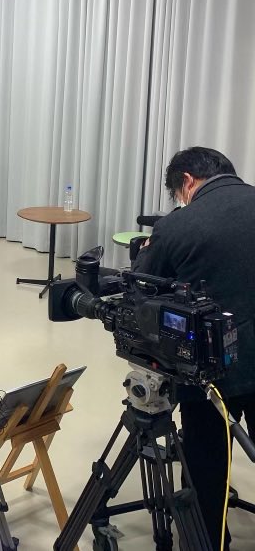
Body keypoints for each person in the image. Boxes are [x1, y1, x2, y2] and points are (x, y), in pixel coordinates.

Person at [132, 146, 255, 550]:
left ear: (187, 181)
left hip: (209, 372)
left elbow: (143, 290)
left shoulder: (177, 226)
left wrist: (145, 254)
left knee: (206, 465)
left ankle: (208, 541)